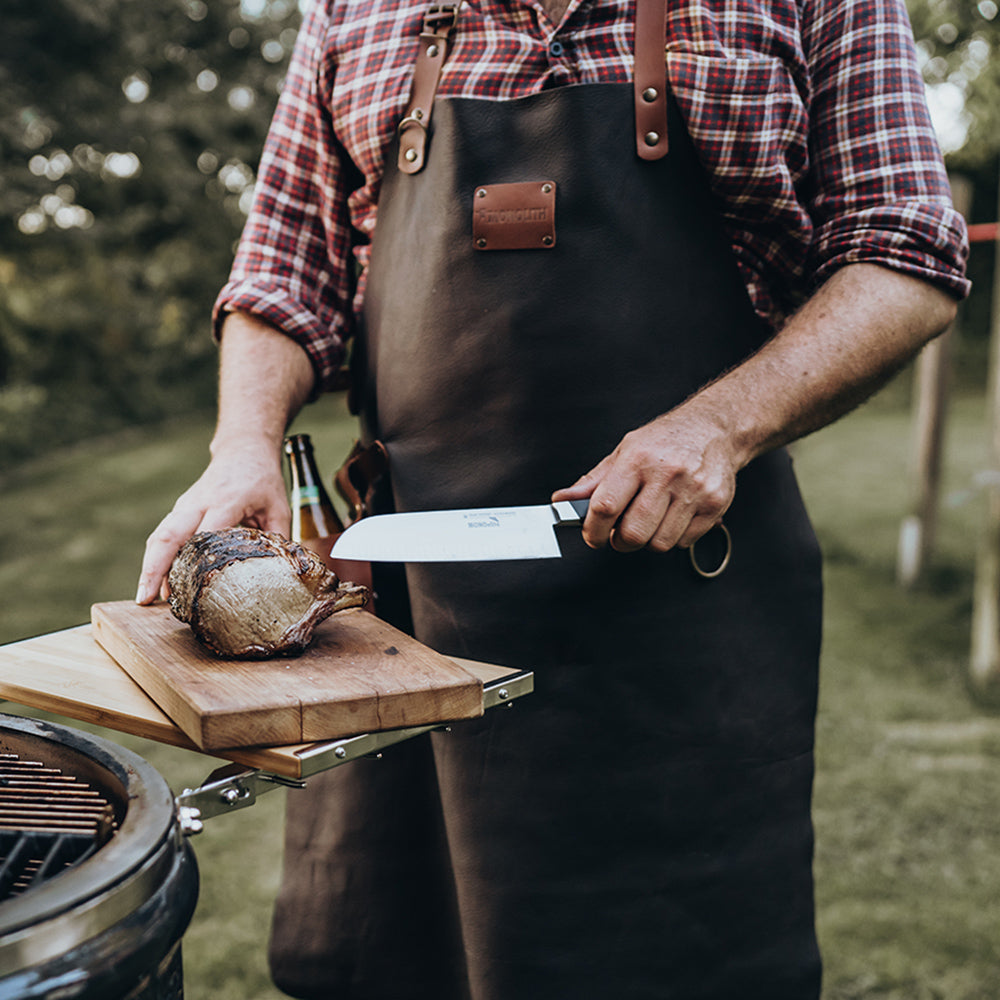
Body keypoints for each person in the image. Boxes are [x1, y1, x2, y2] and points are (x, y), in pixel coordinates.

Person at [137, 0, 968, 997]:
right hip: (403, 626)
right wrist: (241, 446)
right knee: (387, 963)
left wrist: (722, 424)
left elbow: (905, 250)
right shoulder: (352, 12)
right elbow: (280, 274)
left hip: (685, 620)